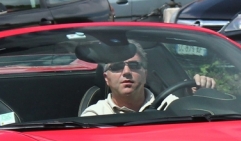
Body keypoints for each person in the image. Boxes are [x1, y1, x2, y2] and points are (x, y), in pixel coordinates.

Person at [81, 44, 215, 116]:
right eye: (117, 67)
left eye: (134, 66)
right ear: (106, 78)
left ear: (145, 74)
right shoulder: (94, 115)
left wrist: (202, 97)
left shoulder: (170, 105)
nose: (126, 72)